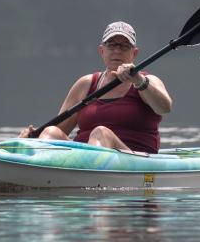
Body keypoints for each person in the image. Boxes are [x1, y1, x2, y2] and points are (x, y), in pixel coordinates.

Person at [19, 21, 172, 154]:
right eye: (112, 45)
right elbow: (60, 129)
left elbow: (164, 108)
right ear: (102, 51)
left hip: (134, 160)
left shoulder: (147, 81)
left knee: (101, 133)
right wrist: (31, 140)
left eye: (124, 46)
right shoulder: (86, 84)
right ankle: (30, 169)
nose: (117, 50)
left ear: (134, 53)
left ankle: (84, 174)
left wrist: (138, 80)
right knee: (50, 132)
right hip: (85, 157)